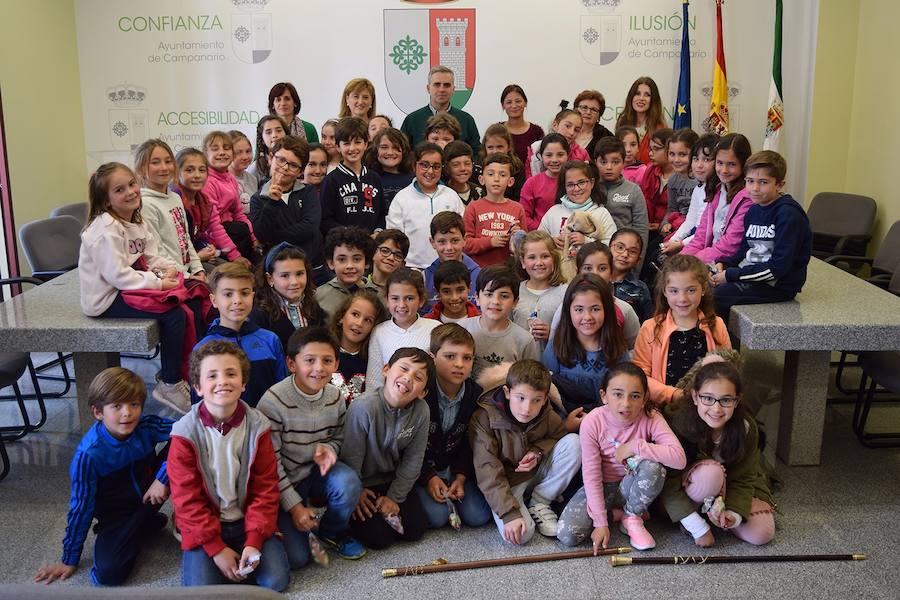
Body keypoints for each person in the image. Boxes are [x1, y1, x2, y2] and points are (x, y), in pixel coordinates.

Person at [168, 341, 289, 591]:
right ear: (198, 387)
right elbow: (186, 500)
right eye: (212, 376)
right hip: (206, 526)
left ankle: (240, 555)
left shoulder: (258, 426)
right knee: (200, 591)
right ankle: (220, 558)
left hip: (247, 521)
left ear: (243, 383)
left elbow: (265, 489)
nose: (223, 381)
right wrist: (216, 549)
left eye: (231, 374)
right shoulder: (184, 433)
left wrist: (254, 541)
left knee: (275, 582)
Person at [34, 368, 173, 586]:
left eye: (134, 404)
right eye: (116, 406)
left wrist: (162, 478)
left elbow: (188, 431)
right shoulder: (88, 456)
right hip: (118, 516)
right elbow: (80, 508)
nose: (127, 413)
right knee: (108, 575)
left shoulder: (145, 425)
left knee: (185, 443)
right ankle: (141, 524)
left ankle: (147, 521)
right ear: (98, 412)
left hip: (152, 493)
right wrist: (69, 560)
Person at [79, 162, 197, 413]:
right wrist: (158, 282)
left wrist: (171, 270)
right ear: (107, 200)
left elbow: (152, 257)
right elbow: (119, 276)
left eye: (132, 184)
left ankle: (187, 371)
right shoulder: (105, 229)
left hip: (128, 287)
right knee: (174, 314)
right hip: (107, 299)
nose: (131, 192)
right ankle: (170, 381)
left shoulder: (136, 219)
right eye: (119, 190)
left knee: (193, 298)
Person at [257, 327, 366, 564]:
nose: (319, 368)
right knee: (298, 559)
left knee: (348, 482)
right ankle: (298, 518)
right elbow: (269, 463)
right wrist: (294, 507)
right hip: (284, 480)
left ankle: (332, 530)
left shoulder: (335, 397)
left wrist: (330, 449)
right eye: (309, 360)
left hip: (316, 474)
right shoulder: (272, 402)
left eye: (327, 360)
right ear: (291, 363)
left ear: (336, 364)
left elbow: (338, 437)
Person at [557, 362, 686, 551]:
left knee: (653, 467)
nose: (626, 404)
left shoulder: (651, 417)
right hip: (602, 487)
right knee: (567, 534)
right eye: (617, 394)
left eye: (635, 396)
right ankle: (613, 514)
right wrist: (600, 522)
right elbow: (591, 474)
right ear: (604, 396)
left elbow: (679, 458)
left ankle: (631, 517)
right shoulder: (593, 421)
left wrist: (636, 446)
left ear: (644, 398)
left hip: (632, 487)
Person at [661, 361, 776, 546]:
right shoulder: (678, 424)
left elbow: (745, 477)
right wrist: (698, 528)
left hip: (727, 490)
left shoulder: (746, 428)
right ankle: (694, 517)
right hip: (689, 491)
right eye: (708, 398)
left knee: (762, 534)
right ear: (695, 396)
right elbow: (668, 485)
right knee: (710, 475)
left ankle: (717, 516)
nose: (716, 409)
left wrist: (734, 514)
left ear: (737, 401)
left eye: (726, 400)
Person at [469, 359, 581, 544]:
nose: (527, 408)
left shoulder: (547, 414)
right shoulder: (484, 418)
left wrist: (537, 452)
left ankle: (540, 501)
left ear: (545, 398)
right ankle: (511, 505)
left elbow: (558, 438)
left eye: (536, 400)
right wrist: (509, 513)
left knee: (574, 442)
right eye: (520, 398)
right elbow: (486, 469)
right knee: (521, 536)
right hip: (507, 483)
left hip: (535, 475)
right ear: (507, 392)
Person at [341, 348, 433, 549]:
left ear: (423, 392)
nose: (408, 378)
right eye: (404, 369)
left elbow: (414, 459)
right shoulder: (364, 406)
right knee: (380, 539)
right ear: (386, 370)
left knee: (415, 530)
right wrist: (356, 492)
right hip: (362, 483)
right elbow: (351, 456)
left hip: (391, 480)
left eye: (418, 377)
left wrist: (394, 498)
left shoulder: (421, 411)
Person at [710, 150, 813, 317]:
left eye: (763, 182)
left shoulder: (788, 214)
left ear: (779, 185)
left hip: (777, 285)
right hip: (753, 275)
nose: (755, 188)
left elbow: (778, 268)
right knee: (700, 285)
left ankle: (720, 341)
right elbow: (743, 250)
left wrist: (732, 275)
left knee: (718, 294)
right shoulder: (753, 211)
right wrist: (725, 264)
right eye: (750, 181)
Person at [415, 324, 493, 529]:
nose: (459, 364)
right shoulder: (420, 393)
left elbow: (472, 442)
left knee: (478, 517)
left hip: (454, 467)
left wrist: (461, 476)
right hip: (421, 469)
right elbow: (407, 445)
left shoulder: (475, 395)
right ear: (432, 358)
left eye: (466, 358)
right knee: (436, 518)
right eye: (450, 356)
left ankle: (454, 488)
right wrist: (428, 477)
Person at [633, 255, 731, 405]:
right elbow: (639, 377)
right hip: (662, 409)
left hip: (707, 408)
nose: (682, 298)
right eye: (674, 291)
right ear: (664, 291)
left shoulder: (717, 325)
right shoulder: (650, 328)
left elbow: (728, 371)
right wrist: (674, 395)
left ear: (703, 288)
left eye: (690, 290)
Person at [194, 262, 288, 408]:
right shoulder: (203, 348)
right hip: (223, 428)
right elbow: (198, 404)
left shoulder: (270, 340)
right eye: (228, 294)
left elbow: (282, 390)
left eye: (244, 293)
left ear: (252, 296)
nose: (237, 300)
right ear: (214, 300)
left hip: (267, 424)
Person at [542, 274, 627, 416]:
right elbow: (544, 390)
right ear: (568, 311)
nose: (587, 317)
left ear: (607, 310)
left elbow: (624, 391)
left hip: (607, 425)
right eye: (579, 309)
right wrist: (565, 425)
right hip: (565, 425)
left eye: (595, 309)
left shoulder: (617, 349)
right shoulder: (556, 347)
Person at [249, 136, 326, 283]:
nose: (284, 168)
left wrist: (273, 237)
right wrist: (272, 202)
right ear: (271, 158)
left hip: (314, 267)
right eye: (281, 160)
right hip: (279, 271)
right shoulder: (258, 198)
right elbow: (261, 232)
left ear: (300, 172)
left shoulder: (308, 191)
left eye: (292, 165)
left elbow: (310, 227)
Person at [134, 139, 206, 282]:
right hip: (169, 276)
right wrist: (186, 277)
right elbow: (156, 253)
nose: (164, 167)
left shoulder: (175, 197)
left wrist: (198, 268)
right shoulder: (145, 204)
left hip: (187, 270)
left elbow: (185, 238)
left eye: (168, 161)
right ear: (142, 168)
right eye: (155, 162)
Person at [548, 242, 641, 351]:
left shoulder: (624, 310)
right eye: (588, 268)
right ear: (578, 273)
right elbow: (555, 344)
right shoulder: (566, 307)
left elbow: (635, 347)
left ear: (611, 273)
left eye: (602, 268)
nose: (595, 274)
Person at [386, 142, 466, 269]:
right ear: (414, 166)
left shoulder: (451, 196)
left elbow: (463, 232)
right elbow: (394, 238)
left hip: (448, 266)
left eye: (436, 166)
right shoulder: (402, 198)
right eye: (424, 165)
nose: (430, 171)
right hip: (412, 268)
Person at [681, 133, 753, 265]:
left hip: (727, 263)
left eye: (731, 164)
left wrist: (693, 262)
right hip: (708, 257)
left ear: (743, 165)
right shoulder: (717, 190)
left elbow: (729, 246)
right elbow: (700, 237)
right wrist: (681, 259)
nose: (724, 170)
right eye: (720, 163)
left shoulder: (747, 198)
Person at [174, 148, 251, 271]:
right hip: (181, 261)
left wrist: (209, 246)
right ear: (177, 173)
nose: (197, 175)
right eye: (189, 170)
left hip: (199, 252)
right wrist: (197, 257)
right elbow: (174, 245)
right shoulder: (175, 202)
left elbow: (212, 228)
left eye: (202, 170)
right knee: (222, 277)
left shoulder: (203, 200)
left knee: (237, 271)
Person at [365, 268, 441, 389]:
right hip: (388, 404)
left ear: (421, 300)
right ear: (387, 300)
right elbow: (374, 381)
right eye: (395, 298)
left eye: (409, 298)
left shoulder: (434, 328)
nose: (402, 305)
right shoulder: (379, 332)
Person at [460, 266, 540, 377]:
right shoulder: (462, 329)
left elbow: (531, 379)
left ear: (515, 302)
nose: (495, 301)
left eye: (504, 296)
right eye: (489, 294)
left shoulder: (524, 340)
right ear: (477, 298)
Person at [251, 243, 327, 350]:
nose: (294, 282)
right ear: (270, 279)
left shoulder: (313, 306)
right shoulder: (260, 314)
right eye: (285, 276)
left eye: (300, 274)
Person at [320, 117, 386, 235]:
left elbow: (382, 214)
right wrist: (349, 234)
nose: (352, 148)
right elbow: (325, 220)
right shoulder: (331, 180)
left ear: (366, 144)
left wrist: (378, 232)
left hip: (371, 245)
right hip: (343, 246)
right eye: (346, 143)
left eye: (358, 142)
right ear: (338, 147)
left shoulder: (375, 178)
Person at [202, 131, 258, 261]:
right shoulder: (207, 182)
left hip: (233, 234)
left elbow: (239, 213)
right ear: (205, 154)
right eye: (215, 149)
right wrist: (235, 256)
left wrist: (253, 238)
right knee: (238, 229)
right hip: (214, 240)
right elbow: (213, 226)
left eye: (226, 148)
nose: (222, 152)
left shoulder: (229, 178)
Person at [661, 134, 720, 257]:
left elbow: (706, 233)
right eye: (695, 159)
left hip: (704, 242)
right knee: (658, 255)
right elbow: (690, 220)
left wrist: (681, 244)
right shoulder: (699, 188)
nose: (699, 165)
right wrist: (674, 241)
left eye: (706, 159)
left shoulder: (718, 191)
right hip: (693, 234)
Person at [463, 153, 526, 267]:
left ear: (510, 181)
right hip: (479, 270)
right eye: (491, 174)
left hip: (508, 270)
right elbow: (465, 243)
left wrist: (517, 237)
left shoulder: (518, 208)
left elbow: (525, 245)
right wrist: (490, 242)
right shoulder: (473, 208)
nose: (496, 179)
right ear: (482, 179)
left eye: (502, 175)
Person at [538, 161, 617, 250]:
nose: (576, 189)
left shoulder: (601, 213)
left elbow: (612, 247)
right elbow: (537, 241)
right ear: (564, 187)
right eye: (570, 185)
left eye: (582, 182)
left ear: (592, 183)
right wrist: (550, 242)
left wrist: (586, 241)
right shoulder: (553, 212)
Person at [594, 136, 649, 262]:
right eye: (603, 162)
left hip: (624, 257)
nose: (609, 167)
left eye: (615, 162)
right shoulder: (589, 188)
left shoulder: (633, 190)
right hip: (595, 254)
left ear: (624, 163)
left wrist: (636, 264)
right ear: (595, 162)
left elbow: (641, 230)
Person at [329, 289, 388, 405]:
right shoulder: (323, 352)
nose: (359, 323)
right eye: (355, 314)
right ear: (341, 317)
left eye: (368, 320)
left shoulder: (374, 361)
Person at [400, 65, 480, 150]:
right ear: (428, 88)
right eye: (437, 84)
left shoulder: (466, 120)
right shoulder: (412, 120)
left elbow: (476, 152)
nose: (441, 89)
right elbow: (404, 152)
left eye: (446, 85)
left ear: (453, 89)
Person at [513, 231, 566, 351]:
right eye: (532, 257)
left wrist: (553, 335)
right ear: (522, 262)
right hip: (519, 366)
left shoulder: (566, 293)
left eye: (545, 256)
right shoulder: (514, 291)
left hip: (553, 367)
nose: (539, 263)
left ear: (554, 259)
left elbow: (576, 334)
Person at [315, 226, 378, 318]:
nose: (349, 266)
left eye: (356, 259)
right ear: (331, 263)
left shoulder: (379, 296)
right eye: (342, 259)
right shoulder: (318, 296)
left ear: (367, 262)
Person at [424, 210, 481, 310]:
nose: (449, 247)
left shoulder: (480, 276)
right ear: (432, 242)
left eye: (455, 240)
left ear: (465, 240)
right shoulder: (425, 278)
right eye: (442, 241)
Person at [615, 77, 669, 165]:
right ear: (631, 97)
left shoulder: (660, 128)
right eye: (637, 93)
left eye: (647, 95)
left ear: (653, 100)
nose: (641, 98)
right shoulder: (622, 123)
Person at [520, 134, 569, 231]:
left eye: (560, 154)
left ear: (568, 155)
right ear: (541, 156)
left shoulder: (574, 181)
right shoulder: (532, 183)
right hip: (540, 238)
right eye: (548, 155)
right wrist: (545, 232)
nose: (554, 160)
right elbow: (524, 216)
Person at [526, 104, 589, 178]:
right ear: (555, 125)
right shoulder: (536, 149)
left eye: (576, 130)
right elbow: (529, 180)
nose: (571, 132)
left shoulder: (582, 154)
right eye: (568, 126)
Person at [609, 228, 653, 322]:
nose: (625, 254)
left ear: (638, 260)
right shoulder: (595, 279)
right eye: (620, 247)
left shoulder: (640, 289)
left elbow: (646, 322)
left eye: (632, 252)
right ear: (608, 248)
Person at [365, 127, 414, 209]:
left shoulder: (413, 180)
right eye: (384, 147)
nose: (390, 152)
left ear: (404, 150)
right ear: (375, 150)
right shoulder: (368, 179)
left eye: (395, 147)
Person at [500, 84, 545, 168]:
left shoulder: (537, 132)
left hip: (531, 179)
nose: (514, 106)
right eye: (509, 102)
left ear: (525, 103)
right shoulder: (497, 130)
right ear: (503, 105)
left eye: (518, 101)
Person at [480, 123, 526, 200]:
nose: (495, 151)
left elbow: (519, 194)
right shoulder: (479, 166)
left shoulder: (517, 167)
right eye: (490, 147)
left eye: (500, 147)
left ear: (509, 147)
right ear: (485, 147)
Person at [573, 89, 614, 159]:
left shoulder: (607, 137)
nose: (588, 112)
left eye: (594, 110)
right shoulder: (565, 131)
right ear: (575, 110)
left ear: (599, 115)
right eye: (584, 107)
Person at [368, 228, 409, 296]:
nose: (391, 258)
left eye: (398, 255)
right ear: (373, 253)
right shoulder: (359, 285)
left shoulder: (404, 292)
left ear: (403, 264)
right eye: (385, 251)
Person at [443, 140, 484, 204]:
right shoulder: (444, 193)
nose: (463, 168)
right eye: (456, 165)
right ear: (446, 168)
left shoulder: (478, 191)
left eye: (467, 163)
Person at [227, 130, 258, 214]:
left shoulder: (253, 179)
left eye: (248, 151)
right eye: (239, 152)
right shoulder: (221, 181)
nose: (245, 157)